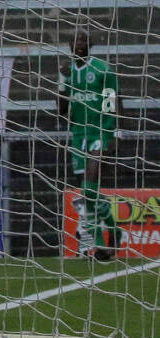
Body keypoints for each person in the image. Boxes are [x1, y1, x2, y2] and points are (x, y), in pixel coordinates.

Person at [58, 31, 123, 261]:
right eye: (76, 40)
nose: (80, 44)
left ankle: (98, 245)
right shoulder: (67, 72)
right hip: (78, 135)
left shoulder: (103, 69)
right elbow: (61, 110)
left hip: (100, 132)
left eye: (84, 40)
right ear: (69, 44)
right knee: (89, 193)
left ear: (91, 44)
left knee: (88, 189)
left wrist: (113, 132)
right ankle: (114, 233)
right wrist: (63, 82)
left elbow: (113, 100)